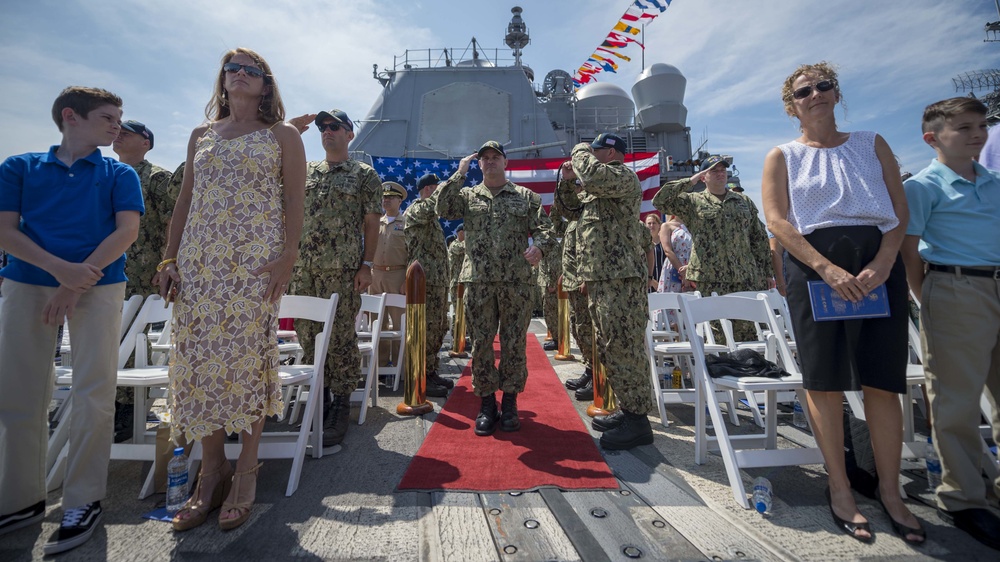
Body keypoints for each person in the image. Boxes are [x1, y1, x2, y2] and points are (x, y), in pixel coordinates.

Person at [761, 62, 923, 544]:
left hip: (877, 264)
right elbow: (778, 221)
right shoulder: (781, 155)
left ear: (836, 93)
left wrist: (885, 261)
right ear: (792, 106)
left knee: (882, 380)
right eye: (803, 91)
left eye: (823, 86)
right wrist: (826, 268)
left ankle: (891, 492)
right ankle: (841, 488)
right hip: (814, 266)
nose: (815, 94)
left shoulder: (871, 143)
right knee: (824, 381)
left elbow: (898, 211)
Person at [155, 48, 305, 532]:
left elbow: (294, 202)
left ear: (266, 85)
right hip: (199, 267)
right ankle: (212, 470)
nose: (240, 75)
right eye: (233, 68)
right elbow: (185, 200)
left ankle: (246, 469)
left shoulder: (281, 135)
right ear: (222, 80)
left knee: (245, 360)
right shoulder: (201, 135)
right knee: (200, 363)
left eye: (252, 70)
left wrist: (287, 257)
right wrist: (169, 258)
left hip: (252, 267)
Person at [0, 86, 142, 554]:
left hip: (97, 286)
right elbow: (4, 230)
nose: (116, 125)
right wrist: (58, 270)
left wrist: (71, 283)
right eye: (107, 117)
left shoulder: (119, 174)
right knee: (19, 393)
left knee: (93, 393)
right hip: (27, 283)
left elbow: (126, 232)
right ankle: (19, 498)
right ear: (70, 116)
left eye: (119, 117)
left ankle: (84, 498)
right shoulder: (18, 168)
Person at [901, 97, 1000, 550]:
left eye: (981, 125)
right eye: (963, 127)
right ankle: (963, 497)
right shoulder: (924, 186)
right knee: (957, 399)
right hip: (957, 287)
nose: (977, 133)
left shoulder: (995, 183)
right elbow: (910, 250)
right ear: (932, 137)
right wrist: (930, 298)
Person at [436, 141, 555, 436]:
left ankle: (511, 402)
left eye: (495, 157)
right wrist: (459, 173)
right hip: (478, 282)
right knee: (482, 345)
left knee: (514, 344)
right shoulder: (466, 195)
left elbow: (546, 230)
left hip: (517, 283)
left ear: (505, 163)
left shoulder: (525, 197)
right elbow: (442, 207)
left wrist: (539, 247)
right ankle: (487, 403)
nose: (490, 162)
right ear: (479, 164)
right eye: (484, 158)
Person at [290, 108, 381, 447]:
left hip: (342, 271)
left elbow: (372, 222)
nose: (326, 132)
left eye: (334, 127)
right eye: (322, 128)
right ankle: (321, 398)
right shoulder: (305, 170)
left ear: (349, 134)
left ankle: (341, 405)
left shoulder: (363, 174)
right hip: (303, 270)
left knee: (341, 339)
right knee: (308, 336)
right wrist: (290, 133)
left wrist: (366, 264)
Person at [560, 133, 654, 449]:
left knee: (625, 348)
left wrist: (578, 149)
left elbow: (593, 173)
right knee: (611, 347)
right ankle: (629, 411)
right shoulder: (598, 189)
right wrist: (567, 181)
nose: (588, 157)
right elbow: (570, 210)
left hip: (621, 280)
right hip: (603, 279)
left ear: (609, 153)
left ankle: (639, 422)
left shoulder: (621, 176)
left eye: (594, 151)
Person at [652, 154, 773, 342]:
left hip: (746, 276)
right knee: (717, 333)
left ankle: (750, 369)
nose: (720, 174)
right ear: (703, 177)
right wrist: (690, 181)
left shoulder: (743, 201)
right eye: (713, 171)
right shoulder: (692, 202)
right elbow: (659, 200)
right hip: (710, 278)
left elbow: (758, 238)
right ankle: (717, 370)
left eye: (723, 170)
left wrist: (766, 273)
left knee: (748, 331)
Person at [111, 119, 176, 442]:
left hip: (141, 273)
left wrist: (166, 263)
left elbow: (172, 221)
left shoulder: (157, 178)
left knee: (134, 341)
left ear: (146, 142)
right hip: (108, 272)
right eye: (118, 130)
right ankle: (110, 404)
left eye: (128, 132)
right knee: (109, 339)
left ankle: (128, 409)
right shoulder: (108, 175)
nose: (119, 134)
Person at [403, 172, 453, 396]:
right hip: (425, 283)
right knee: (427, 330)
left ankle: (431, 371)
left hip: (438, 282)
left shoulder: (432, 220)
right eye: (435, 189)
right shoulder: (415, 210)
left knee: (439, 327)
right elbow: (432, 205)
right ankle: (421, 375)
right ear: (427, 190)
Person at [372, 181, 408, 369]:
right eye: (384, 197)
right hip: (376, 276)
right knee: (378, 323)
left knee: (399, 324)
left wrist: (408, 281)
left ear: (400, 201)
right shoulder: (376, 222)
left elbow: (413, 253)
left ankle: (399, 367)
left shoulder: (407, 224)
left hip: (398, 276)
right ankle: (381, 366)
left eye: (391, 197)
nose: (386, 200)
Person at [447, 224, 469, 352]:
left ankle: (462, 338)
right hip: (457, 284)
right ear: (460, 233)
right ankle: (456, 340)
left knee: (465, 312)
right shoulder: (455, 245)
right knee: (458, 312)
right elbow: (466, 246)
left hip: (463, 283)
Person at [657, 216, 692, 294]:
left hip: (690, 267)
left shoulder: (692, 225)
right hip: (674, 267)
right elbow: (667, 250)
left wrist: (690, 270)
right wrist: (683, 273)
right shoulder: (666, 226)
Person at [644, 213, 666, 291]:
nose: (651, 225)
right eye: (649, 223)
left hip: (664, 284)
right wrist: (652, 281)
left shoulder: (665, 243)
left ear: (659, 225)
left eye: (654, 223)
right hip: (648, 285)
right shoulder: (643, 245)